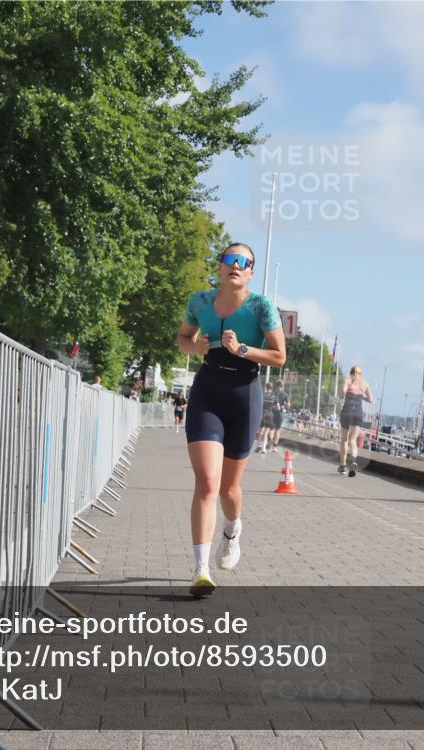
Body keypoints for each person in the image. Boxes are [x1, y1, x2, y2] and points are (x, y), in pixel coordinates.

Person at [177, 242, 286, 597]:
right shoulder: (200, 301)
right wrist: (198, 348)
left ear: (251, 271)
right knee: (207, 481)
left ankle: (232, 529)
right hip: (208, 388)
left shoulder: (261, 306)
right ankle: (200, 570)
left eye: (244, 262)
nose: (236, 266)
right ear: (220, 266)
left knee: (228, 489)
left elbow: (279, 356)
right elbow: (183, 338)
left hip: (245, 392)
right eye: (230, 259)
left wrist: (242, 349)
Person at [338, 366, 373, 476]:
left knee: (344, 440)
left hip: (347, 410)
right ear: (360, 374)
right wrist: (362, 397)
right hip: (358, 412)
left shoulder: (347, 380)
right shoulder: (365, 383)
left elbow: (342, 393)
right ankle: (353, 460)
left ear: (351, 373)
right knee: (353, 440)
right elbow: (371, 400)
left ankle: (343, 466)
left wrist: (342, 394)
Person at [255, 382, 277, 454]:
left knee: (260, 431)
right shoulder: (274, 396)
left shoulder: (262, 395)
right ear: (272, 388)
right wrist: (272, 407)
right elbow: (278, 407)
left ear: (266, 387)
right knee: (266, 432)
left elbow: (258, 404)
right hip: (270, 414)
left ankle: (259, 445)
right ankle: (264, 449)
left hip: (262, 414)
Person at [270, 380, 290, 450]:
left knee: (271, 429)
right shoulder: (285, 394)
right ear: (283, 386)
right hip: (280, 414)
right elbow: (288, 405)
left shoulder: (272, 393)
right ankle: (274, 446)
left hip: (272, 413)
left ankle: (270, 441)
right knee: (277, 430)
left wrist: (274, 407)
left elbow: (269, 404)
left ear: (276, 386)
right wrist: (284, 404)